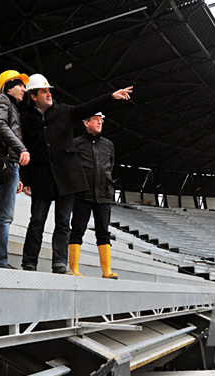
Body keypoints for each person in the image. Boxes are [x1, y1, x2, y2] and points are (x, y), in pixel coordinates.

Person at [19, 73, 132, 274]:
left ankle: (59, 263)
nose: (48, 94)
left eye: (48, 91)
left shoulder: (64, 111)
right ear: (33, 96)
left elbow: (86, 107)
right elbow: (24, 149)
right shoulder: (26, 119)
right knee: (36, 221)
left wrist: (110, 97)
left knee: (63, 223)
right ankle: (29, 262)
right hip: (41, 178)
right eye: (43, 91)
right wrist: (25, 179)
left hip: (67, 179)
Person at [0, 70, 30, 268]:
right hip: (7, 163)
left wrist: (17, 173)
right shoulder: (2, 100)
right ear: (9, 85)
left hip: (9, 164)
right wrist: (21, 149)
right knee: (4, 216)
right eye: (21, 85)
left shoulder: (8, 104)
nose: (24, 90)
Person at [68, 112, 118, 279]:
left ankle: (106, 271)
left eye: (101, 120)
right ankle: (74, 269)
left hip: (104, 194)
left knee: (104, 231)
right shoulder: (76, 143)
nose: (99, 123)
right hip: (83, 194)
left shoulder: (109, 145)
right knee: (77, 230)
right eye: (96, 120)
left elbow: (110, 166)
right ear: (86, 122)